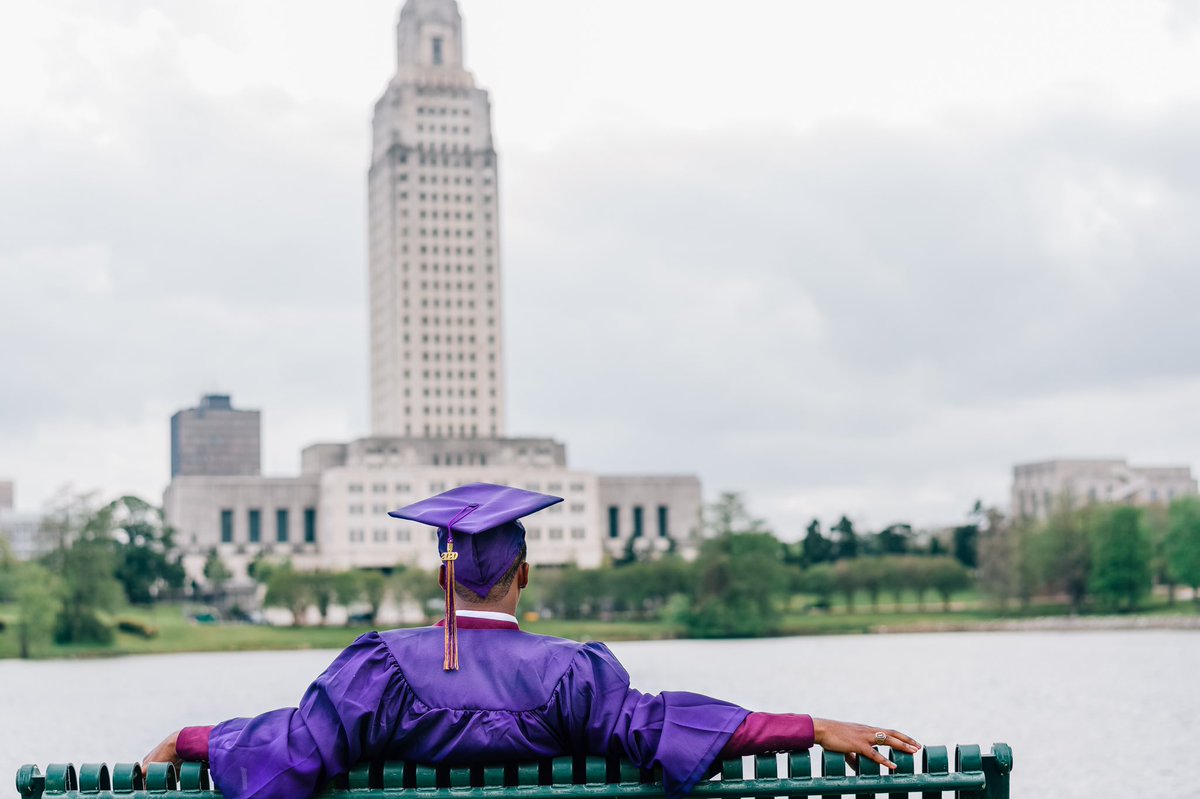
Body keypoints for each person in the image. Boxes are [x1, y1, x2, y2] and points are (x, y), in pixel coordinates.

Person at [144, 483, 919, 799]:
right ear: (527, 572)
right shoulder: (573, 675)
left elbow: (288, 748)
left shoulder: (376, 670)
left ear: (444, 577)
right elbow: (669, 727)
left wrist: (191, 737)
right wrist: (809, 725)